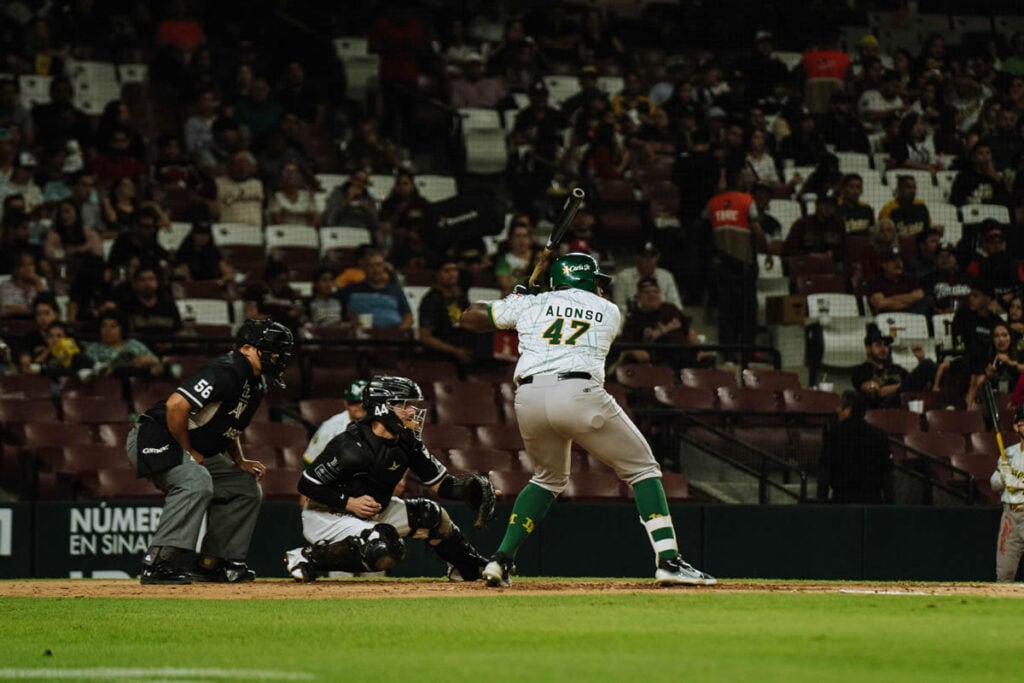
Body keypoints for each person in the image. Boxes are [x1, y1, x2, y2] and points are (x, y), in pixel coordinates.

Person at [460, 252, 716, 587]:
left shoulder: (531, 304)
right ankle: (669, 561)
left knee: (547, 478)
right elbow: (571, 309)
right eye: (597, 281)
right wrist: (529, 299)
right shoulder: (610, 311)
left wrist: (517, 297)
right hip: (578, 392)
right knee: (643, 469)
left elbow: (469, 318)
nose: (601, 288)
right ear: (584, 279)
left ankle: (500, 559)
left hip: (529, 398)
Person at [127, 318, 295, 585]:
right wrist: (188, 450)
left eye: (280, 351)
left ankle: (213, 563)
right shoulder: (225, 370)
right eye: (271, 349)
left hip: (189, 444)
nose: (277, 356)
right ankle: (160, 562)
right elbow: (176, 405)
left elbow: (229, 425)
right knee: (197, 481)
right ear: (247, 348)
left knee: (245, 487)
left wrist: (238, 459)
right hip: (156, 436)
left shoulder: (256, 382)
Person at [284, 375, 492, 582]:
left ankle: (469, 567)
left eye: (412, 405)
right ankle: (305, 557)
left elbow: (442, 485)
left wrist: (471, 489)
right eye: (404, 405)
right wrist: (349, 502)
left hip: (373, 514)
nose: (412, 411)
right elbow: (307, 484)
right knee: (384, 547)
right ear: (382, 408)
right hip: (329, 515)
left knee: (430, 515)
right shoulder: (351, 445)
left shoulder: (408, 442)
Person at [614, 277, 714, 371]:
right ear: (638, 296)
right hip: (657, 363)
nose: (652, 295)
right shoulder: (634, 319)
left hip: (686, 357)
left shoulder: (671, 309)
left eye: (655, 291)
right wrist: (637, 353)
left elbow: (689, 331)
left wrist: (699, 350)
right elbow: (626, 347)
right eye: (647, 292)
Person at [817, 390, 894, 504]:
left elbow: (825, 470)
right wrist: (890, 503)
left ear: (848, 410)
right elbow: (887, 474)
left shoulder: (833, 434)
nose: (837, 410)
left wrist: (821, 498)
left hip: (842, 500)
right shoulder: (880, 434)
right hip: (873, 500)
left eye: (840, 406)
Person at [852, 323, 936, 410]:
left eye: (886, 345)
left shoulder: (897, 369)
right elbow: (875, 392)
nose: (883, 349)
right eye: (879, 345)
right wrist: (904, 384)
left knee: (931, 367)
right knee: (928, 364)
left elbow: (915, 386)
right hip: (883, 408)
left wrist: (920, 360)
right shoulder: (860, 370)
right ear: (868, 349)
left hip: (905, 406)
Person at [991, 405, 1024, 583]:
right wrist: (1003, 477)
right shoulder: (1009, 453)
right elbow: (993, 484)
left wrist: (1016, 482)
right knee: (1004, 575)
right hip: (1010, 516)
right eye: (1022, 423)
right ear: (1016, 427)